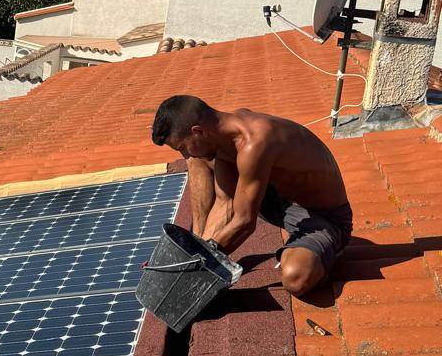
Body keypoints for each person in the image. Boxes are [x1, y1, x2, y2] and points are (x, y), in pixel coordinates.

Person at [150, 94, 352, 297]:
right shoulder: (224, 136)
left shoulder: (255, 142)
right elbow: (224, 202)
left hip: (322, 218)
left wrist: (201, 265)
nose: (185, 154)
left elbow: (245, 221)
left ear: (198, 131)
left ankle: (327, 252)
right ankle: (197, 241)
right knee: (197, 159)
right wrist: (196, 254)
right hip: (280, 200)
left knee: (295, 278)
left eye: (182, 148)